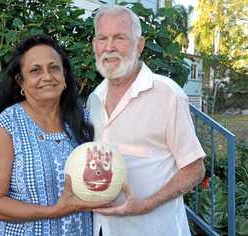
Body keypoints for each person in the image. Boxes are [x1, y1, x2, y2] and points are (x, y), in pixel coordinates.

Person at [86, 5, 206, 236]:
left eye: (119, 37)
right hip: (102, 228)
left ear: (139, 45)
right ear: (94, 45)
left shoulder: (167, 94)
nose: (109, 47)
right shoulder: (94, 99)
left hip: (153, 229)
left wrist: (146, 204)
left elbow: (194, 169)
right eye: (102, 38)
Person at [0, 35, 108, 235]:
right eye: (35, 70)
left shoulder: (83, 118)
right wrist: (54, 211)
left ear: (64, 75)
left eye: (54, 68)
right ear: (20, 81)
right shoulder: (6, 126)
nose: (47, 76)